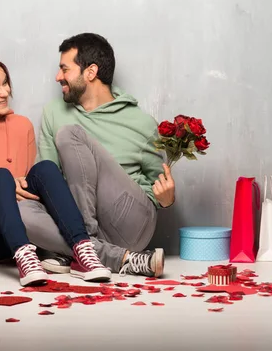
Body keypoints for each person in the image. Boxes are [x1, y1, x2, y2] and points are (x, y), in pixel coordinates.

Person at [0, 50, 112, 287]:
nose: (5, 92)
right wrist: (3, 186)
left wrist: (12, 187)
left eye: (5, 84)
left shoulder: (21, 126)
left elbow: (26, 185)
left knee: (46, 169)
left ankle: (82, 249)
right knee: (0, 176)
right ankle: (25, 257)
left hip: (8, 234)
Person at [19, 33, 175, 277]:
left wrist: (167, 198)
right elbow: (49, 175)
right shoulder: (53, 113)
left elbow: (159, 190)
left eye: (64, 69)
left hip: (131, 223)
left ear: (90, 72)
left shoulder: (141, 123)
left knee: (69, 135)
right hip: (80, 225)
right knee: (21, 212)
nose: (58, 77)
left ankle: (78, 247)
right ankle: (117, 258)